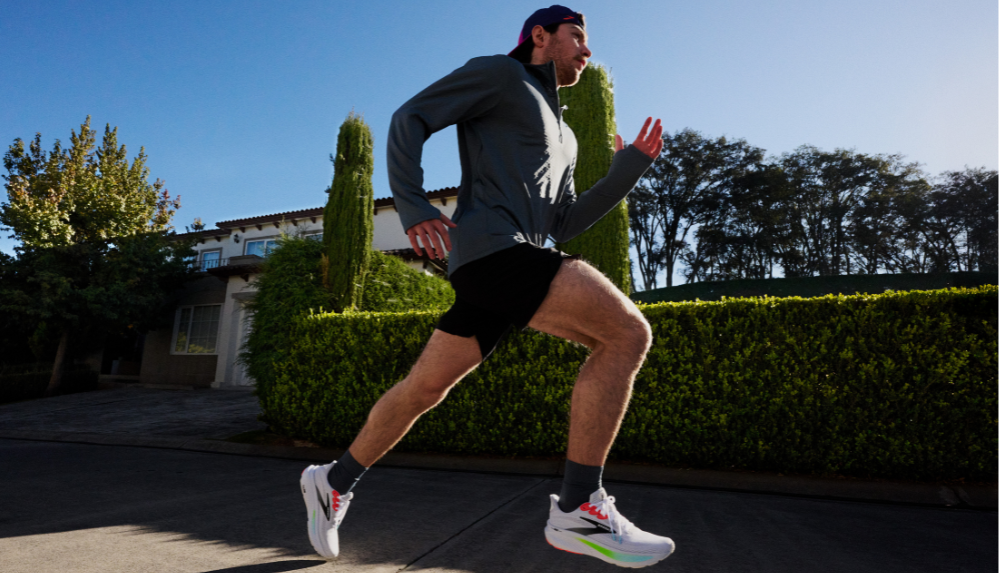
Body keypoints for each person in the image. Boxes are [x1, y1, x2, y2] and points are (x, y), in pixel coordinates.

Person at [301, 5, 674, 567]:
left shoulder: (567, 136)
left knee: (424, 390)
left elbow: (565, 222)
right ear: (540, 36)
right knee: (626, 335)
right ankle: (577, 508)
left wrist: (628, 168)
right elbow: (411, 117)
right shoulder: (501, 75)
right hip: (493, 251)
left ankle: (332, 479)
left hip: (507, 259)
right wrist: (413, 204)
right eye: (577, 36)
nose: (587, 50)